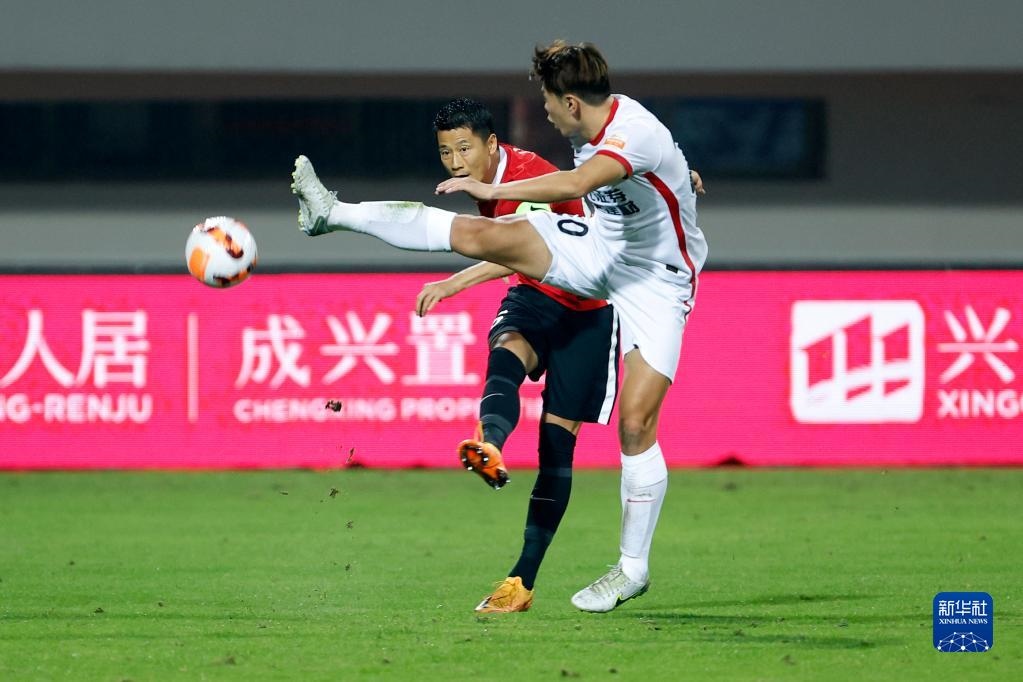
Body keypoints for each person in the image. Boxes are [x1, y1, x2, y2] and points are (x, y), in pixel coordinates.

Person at [291, 40, 708, 613]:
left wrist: (493, 190)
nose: (545, 112)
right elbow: (643, 172)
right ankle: (331, 213)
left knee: (635, 424)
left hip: (657, 282)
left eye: (548, 101)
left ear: (570, 102)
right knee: (480, 235)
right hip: (599, 252)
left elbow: (576, 185)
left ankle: (631, 569)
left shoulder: (630, 133)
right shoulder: (599, 123)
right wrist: (682, 176)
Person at [420, 97, 620, 613]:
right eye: (446, 152)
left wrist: (454, 282)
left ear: (492, 144)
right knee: (506, 352)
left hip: (589, 310)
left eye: (465, 149)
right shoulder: (482, 181)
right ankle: (490, 442)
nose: (456, 162)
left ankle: (521, 582)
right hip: (534, 295)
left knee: (556, 448)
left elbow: (520, 250)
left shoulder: (527, 175)